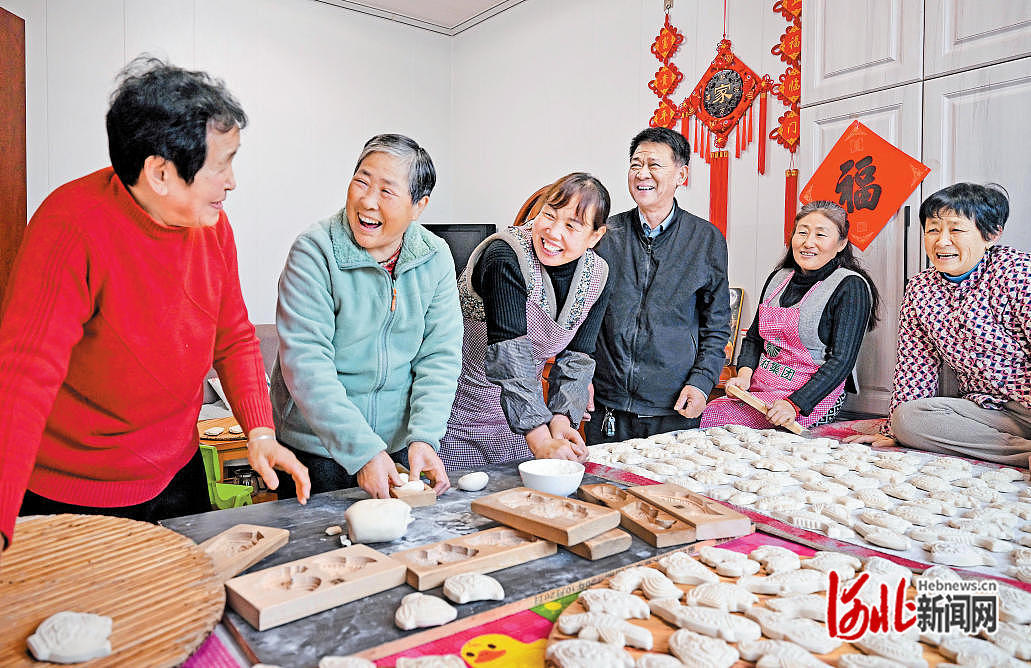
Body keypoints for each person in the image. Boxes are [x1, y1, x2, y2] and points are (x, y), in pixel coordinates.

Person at [0, 57, 311, 550]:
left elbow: (232, 336)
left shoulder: (213, 227)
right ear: (160, 173)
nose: (232, 181)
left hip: (177, 475)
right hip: (75, 492)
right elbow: (23, 378)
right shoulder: (71, 225)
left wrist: (259, 430)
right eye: (221, 165)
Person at [271, 134, 462, 499]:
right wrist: (362, 451)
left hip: (396, 445)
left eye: (387, 191)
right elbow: (307, 363)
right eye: (362, 181)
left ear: (418, 206)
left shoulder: (435, 256)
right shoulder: (315, 252)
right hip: (318, 449)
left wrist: (424, 436)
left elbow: (440, 356)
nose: (368, 200)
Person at [847, 183, 1030, 465]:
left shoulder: (1017, 271)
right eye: (933, 230)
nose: (941, 241)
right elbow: (914, 365)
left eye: (955, 230)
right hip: (987, 414)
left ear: (991, 234)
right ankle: (1023, 454)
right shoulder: (921, 288)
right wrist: (893, 430)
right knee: (907, 420)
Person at [439, 173, 610, 468]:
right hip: (458, 418)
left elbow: (578, 357)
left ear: (595, 235)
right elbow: (510, 355)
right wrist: (542, 440)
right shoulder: (505, 255)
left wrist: (562, 421)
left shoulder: (598, 275)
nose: (553, 232)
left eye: (572, 225)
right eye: (549, 215)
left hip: (520, 423)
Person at [584, 127, 731, 444]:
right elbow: (582, 314)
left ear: (682, 174)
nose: (642, 174)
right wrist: (580, 377)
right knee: (600, 492)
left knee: (667, 494)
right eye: (636, 164)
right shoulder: (605, 235)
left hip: (673, 408)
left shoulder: (705, 239)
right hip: (605, 407)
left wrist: (703, 381)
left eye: (654, 165)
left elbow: (717, 323)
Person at [701, 201, 879, 429]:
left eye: (821, 235)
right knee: (709, 416)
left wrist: (793, 405)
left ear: (841, 243)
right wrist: (744, 377)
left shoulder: (850, 286)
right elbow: (755, 338)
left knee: (738, 432)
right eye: (802, 233)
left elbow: (842, 362)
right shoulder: (778, 277)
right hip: (760, 388)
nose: (808, 242)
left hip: (812, 398)